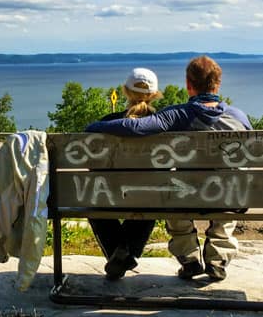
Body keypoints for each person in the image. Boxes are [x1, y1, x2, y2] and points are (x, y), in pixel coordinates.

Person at [86, 55, 251, 281]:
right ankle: (218, 258)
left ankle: (190, 258)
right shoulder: (238, 117)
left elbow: (135, 126)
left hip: (186, 195)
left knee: (172, 194)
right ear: (218, 84)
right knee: (229, 188)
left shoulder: (178, 115)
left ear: (188, 84)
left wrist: (95, 126)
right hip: (230, 196)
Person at [89, 67, 163, 280]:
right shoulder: (164, 124)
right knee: (154, 197)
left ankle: (118, 251)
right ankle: (125, 251)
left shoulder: (106, 123)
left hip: (110, 197)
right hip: (148, 197)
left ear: (125, 92)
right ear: (155, 94)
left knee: (92, 200)